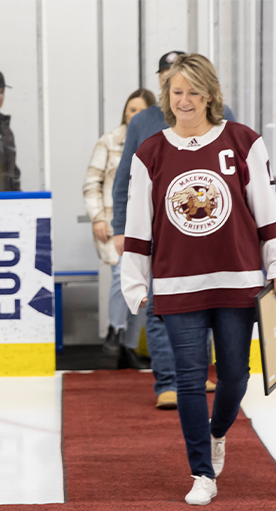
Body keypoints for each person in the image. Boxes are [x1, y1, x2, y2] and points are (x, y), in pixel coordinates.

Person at [120, 53, 276, 506]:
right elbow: (139, 222)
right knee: (189, 380)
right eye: (176, 92)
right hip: (177, 283)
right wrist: (135, 280)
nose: (185, 100)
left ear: (210, 94)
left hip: (238, 279)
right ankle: (201, 472)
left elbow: (266, 214)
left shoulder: (244, 142)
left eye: (193, 91)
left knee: (234, 376)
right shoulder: (151, 152)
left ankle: (217, 432)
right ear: (167, 97)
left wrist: (273, 269)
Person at [112, 51, 235, 409]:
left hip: (209, 230)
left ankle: (198, 376)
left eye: (179, 76)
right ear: (161, 80)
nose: (172, 82)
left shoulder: (224, 118)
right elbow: (125, 182)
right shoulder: (143, 122)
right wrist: (122, 228)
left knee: (209, 300)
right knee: (158, 307)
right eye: (166, 75)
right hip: (159, 234)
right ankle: (167, 382)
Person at [83, 88, 155, 369]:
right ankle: (114, 330)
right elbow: (92, 183)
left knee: (142, 284)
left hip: (147, 225)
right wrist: (98, 218)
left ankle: (127, 344)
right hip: (115, 223)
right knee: (119, 275)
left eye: (140, 110)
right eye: (130, 109)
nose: (134, 115)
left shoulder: (158, 142)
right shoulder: (109, 142)